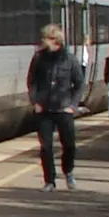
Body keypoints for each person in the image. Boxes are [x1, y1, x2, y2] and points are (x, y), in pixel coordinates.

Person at [26, 22, 84, 190]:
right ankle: (49, 180)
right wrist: (35, 101)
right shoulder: (38, 58)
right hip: (44, 109)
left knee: (69, 145)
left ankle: (68, 171)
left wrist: (73, 105)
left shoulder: (70, 59)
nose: (44, 42)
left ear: (55, 39)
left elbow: (79, 83)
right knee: (46, 146)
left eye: (47, 39)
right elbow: (32, 81)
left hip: (63, 108)